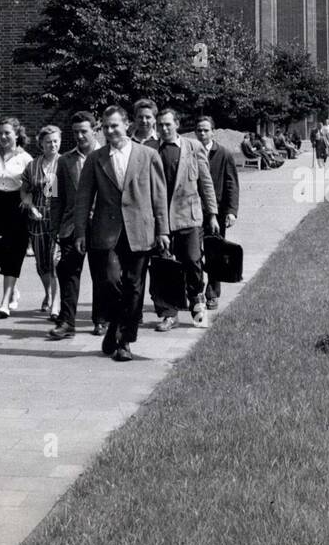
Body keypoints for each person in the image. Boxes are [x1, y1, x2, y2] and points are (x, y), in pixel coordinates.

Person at [72, 105, 168, 362]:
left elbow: (159, 196)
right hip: (107, 231)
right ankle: (114, 324)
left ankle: (125, 340)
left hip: (140, 230)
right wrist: (80, 232)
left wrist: (163, 230)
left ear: (127, 124)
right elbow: (83, 198)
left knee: (135, 286)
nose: (110, 131)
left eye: (114, 125)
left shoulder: (148, 155)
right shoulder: (96, 158)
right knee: (111, 282)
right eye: (105, 126)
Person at [151, 108, 218, 330]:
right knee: (164, 266)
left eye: (168, 124)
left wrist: (213, 214)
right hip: (160, 219)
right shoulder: (150, 150)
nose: (164, 128)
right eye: (160, 125)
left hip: (189, 217)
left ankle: (197, 304)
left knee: (192, 261)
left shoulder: (193, 147)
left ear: (177, 124)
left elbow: (206, 183)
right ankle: (169, 314)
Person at [49, 110, 103, 339]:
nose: (80, 136)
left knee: (102, 274)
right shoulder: (63, 161)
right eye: (76, 132)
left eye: (84, 131)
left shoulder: (107, 155)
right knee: (68, 273)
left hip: (101, 226)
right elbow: (54, 195)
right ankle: (67, 322)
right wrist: (54, 227)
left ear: (95, 130)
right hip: (71, 226)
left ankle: (101, 320)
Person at [0, 117, 32, 318]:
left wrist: (28, 197)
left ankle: (5, 302)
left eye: (7, 133)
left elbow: (33, 185)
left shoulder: (26, 158)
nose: (3, 137)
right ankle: (13, 289)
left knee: (14, 252)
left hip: (17, 205)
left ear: (17, 134)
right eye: (0, 133)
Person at [194, 116, 238, 312]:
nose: (202, 134)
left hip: (217, 213)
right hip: (193, 211)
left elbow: (231, 184)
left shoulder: (224, 154)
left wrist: (231, 211)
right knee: (193, 254)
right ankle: (195, 293)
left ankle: (212, 293)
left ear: (213, 131)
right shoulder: (190, 151)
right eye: (199, 130)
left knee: (214, 254)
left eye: (206, 130)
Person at [21, 125, 62, 317]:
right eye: (48, 142)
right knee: (41, 263)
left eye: (55, 141)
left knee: (55, 261)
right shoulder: (33, 165)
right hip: (37, 218)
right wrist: (30, 206)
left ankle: (56, 302)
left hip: (58, 218)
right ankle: (47, 293)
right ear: (41, 144)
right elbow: (25, 190)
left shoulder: (64, 163)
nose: (52, 145)